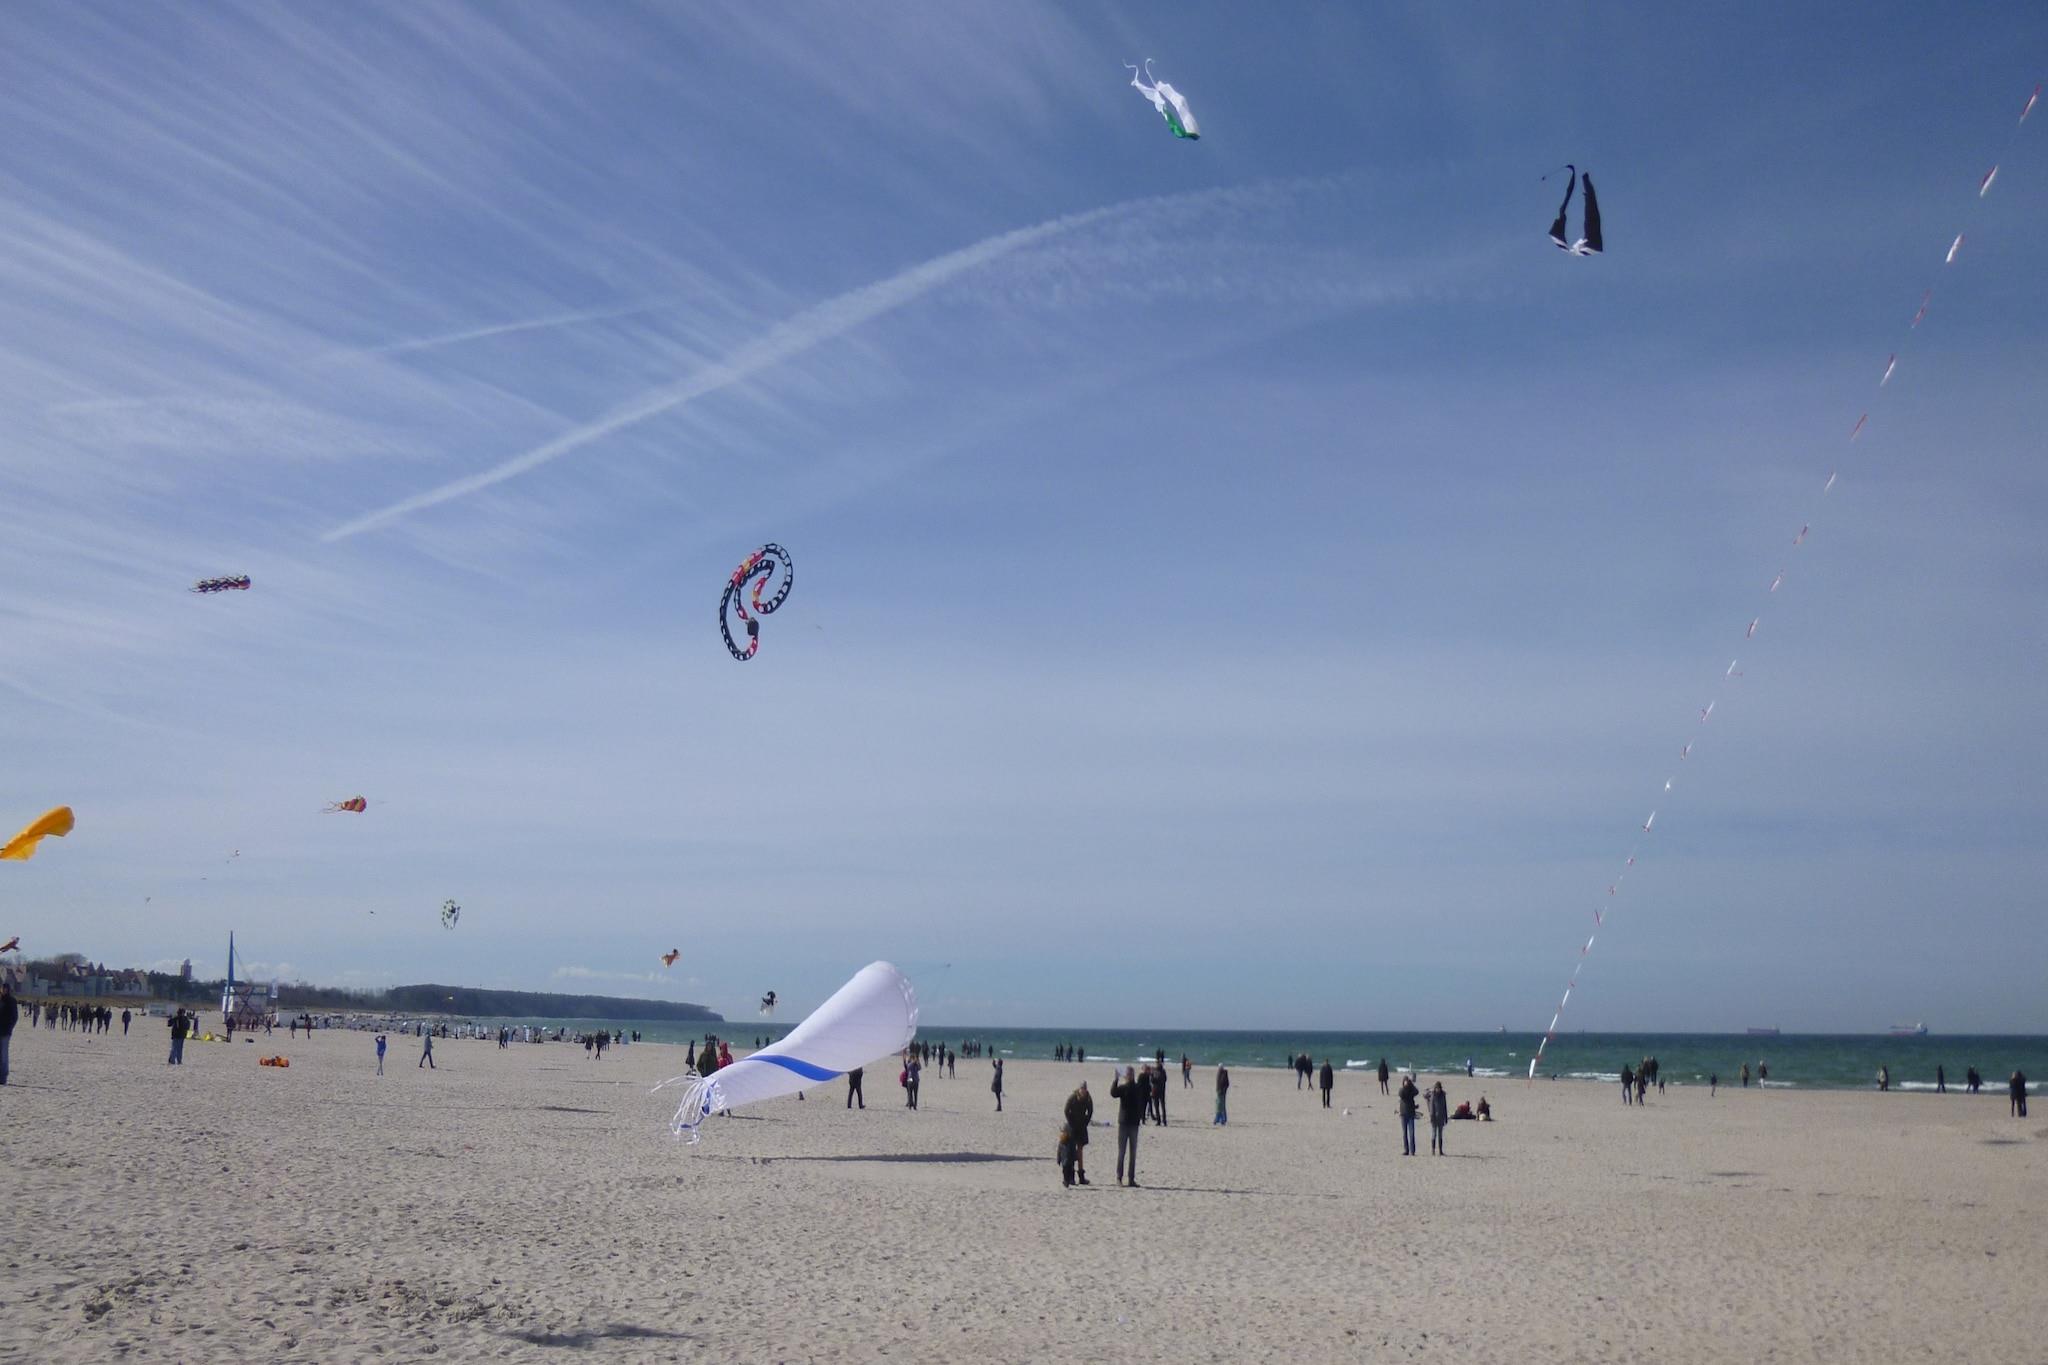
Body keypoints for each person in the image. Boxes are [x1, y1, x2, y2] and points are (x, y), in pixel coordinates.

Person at [1111, 1067, 1147, 1186]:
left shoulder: (1137, 1088)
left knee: (1133, 1153)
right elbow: (1113, 1093)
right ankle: (1119, 1177)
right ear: (1126, 1076)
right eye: (1128, 1074)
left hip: (1134, 1124)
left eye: (1131, 1074)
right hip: (1123, 1123)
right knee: (1121, 1152)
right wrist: (1116, 1079)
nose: (1129, 1076)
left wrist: (1140, 1116)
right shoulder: (1124, 1088)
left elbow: (1143, 1099)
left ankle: (1131, 1179)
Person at [1064, 1082, 1093, 1184]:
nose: (1083, 1091)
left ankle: (1081, 1176)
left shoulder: (1088, 1098)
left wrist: (1086, 1121)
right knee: (1071, 1151)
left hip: (1081, 1126)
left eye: (1084, 1089)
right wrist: (1070, 1122)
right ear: (1079, 1089)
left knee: (1080, 1150)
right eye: (1081, 1089)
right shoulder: (1072, 1097)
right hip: (1072, 1127)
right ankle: (1071, 1177)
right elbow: (1066, 1110)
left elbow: (1090, 1111)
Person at [1397, 1073, 1419, 1156]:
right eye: (1405, 1081)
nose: (1406, 1083)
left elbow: (1417, 1091)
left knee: (1412, 1133)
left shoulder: (1411, 1091)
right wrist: (1405, 1086)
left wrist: (1411, 1084)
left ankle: (1412, 1151)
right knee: (1404, 1133)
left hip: (1411, 1114)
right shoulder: (1402, 1091)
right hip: (1403, 1114)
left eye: (1407, 1081)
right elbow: (1400, 1093)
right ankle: (1406, 1150)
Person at [0, 982, 17, 1086]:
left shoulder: (11, 1001)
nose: (4, 990)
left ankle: (3, 1077)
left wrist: (9, 1028)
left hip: (5, 1032)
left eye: (5, 988)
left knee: (4, 1055)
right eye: (3, 988)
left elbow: (14, 1017)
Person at [1428, 1081, 1450, 1155]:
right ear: (1435, 1088)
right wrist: (1432, 1117)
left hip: (1441, 1117)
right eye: (1437, 1088)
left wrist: (1446, 1117)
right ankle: (1433, 1150)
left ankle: (1440, 1150)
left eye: (1439, 1088)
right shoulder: (1433, 1096)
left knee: (1440, 1134)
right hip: (1434, 1118)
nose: (1438, 1089)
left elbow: (1445, 1107)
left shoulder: (1443, 1095)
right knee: (1434, 1134)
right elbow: (1431, 1107)